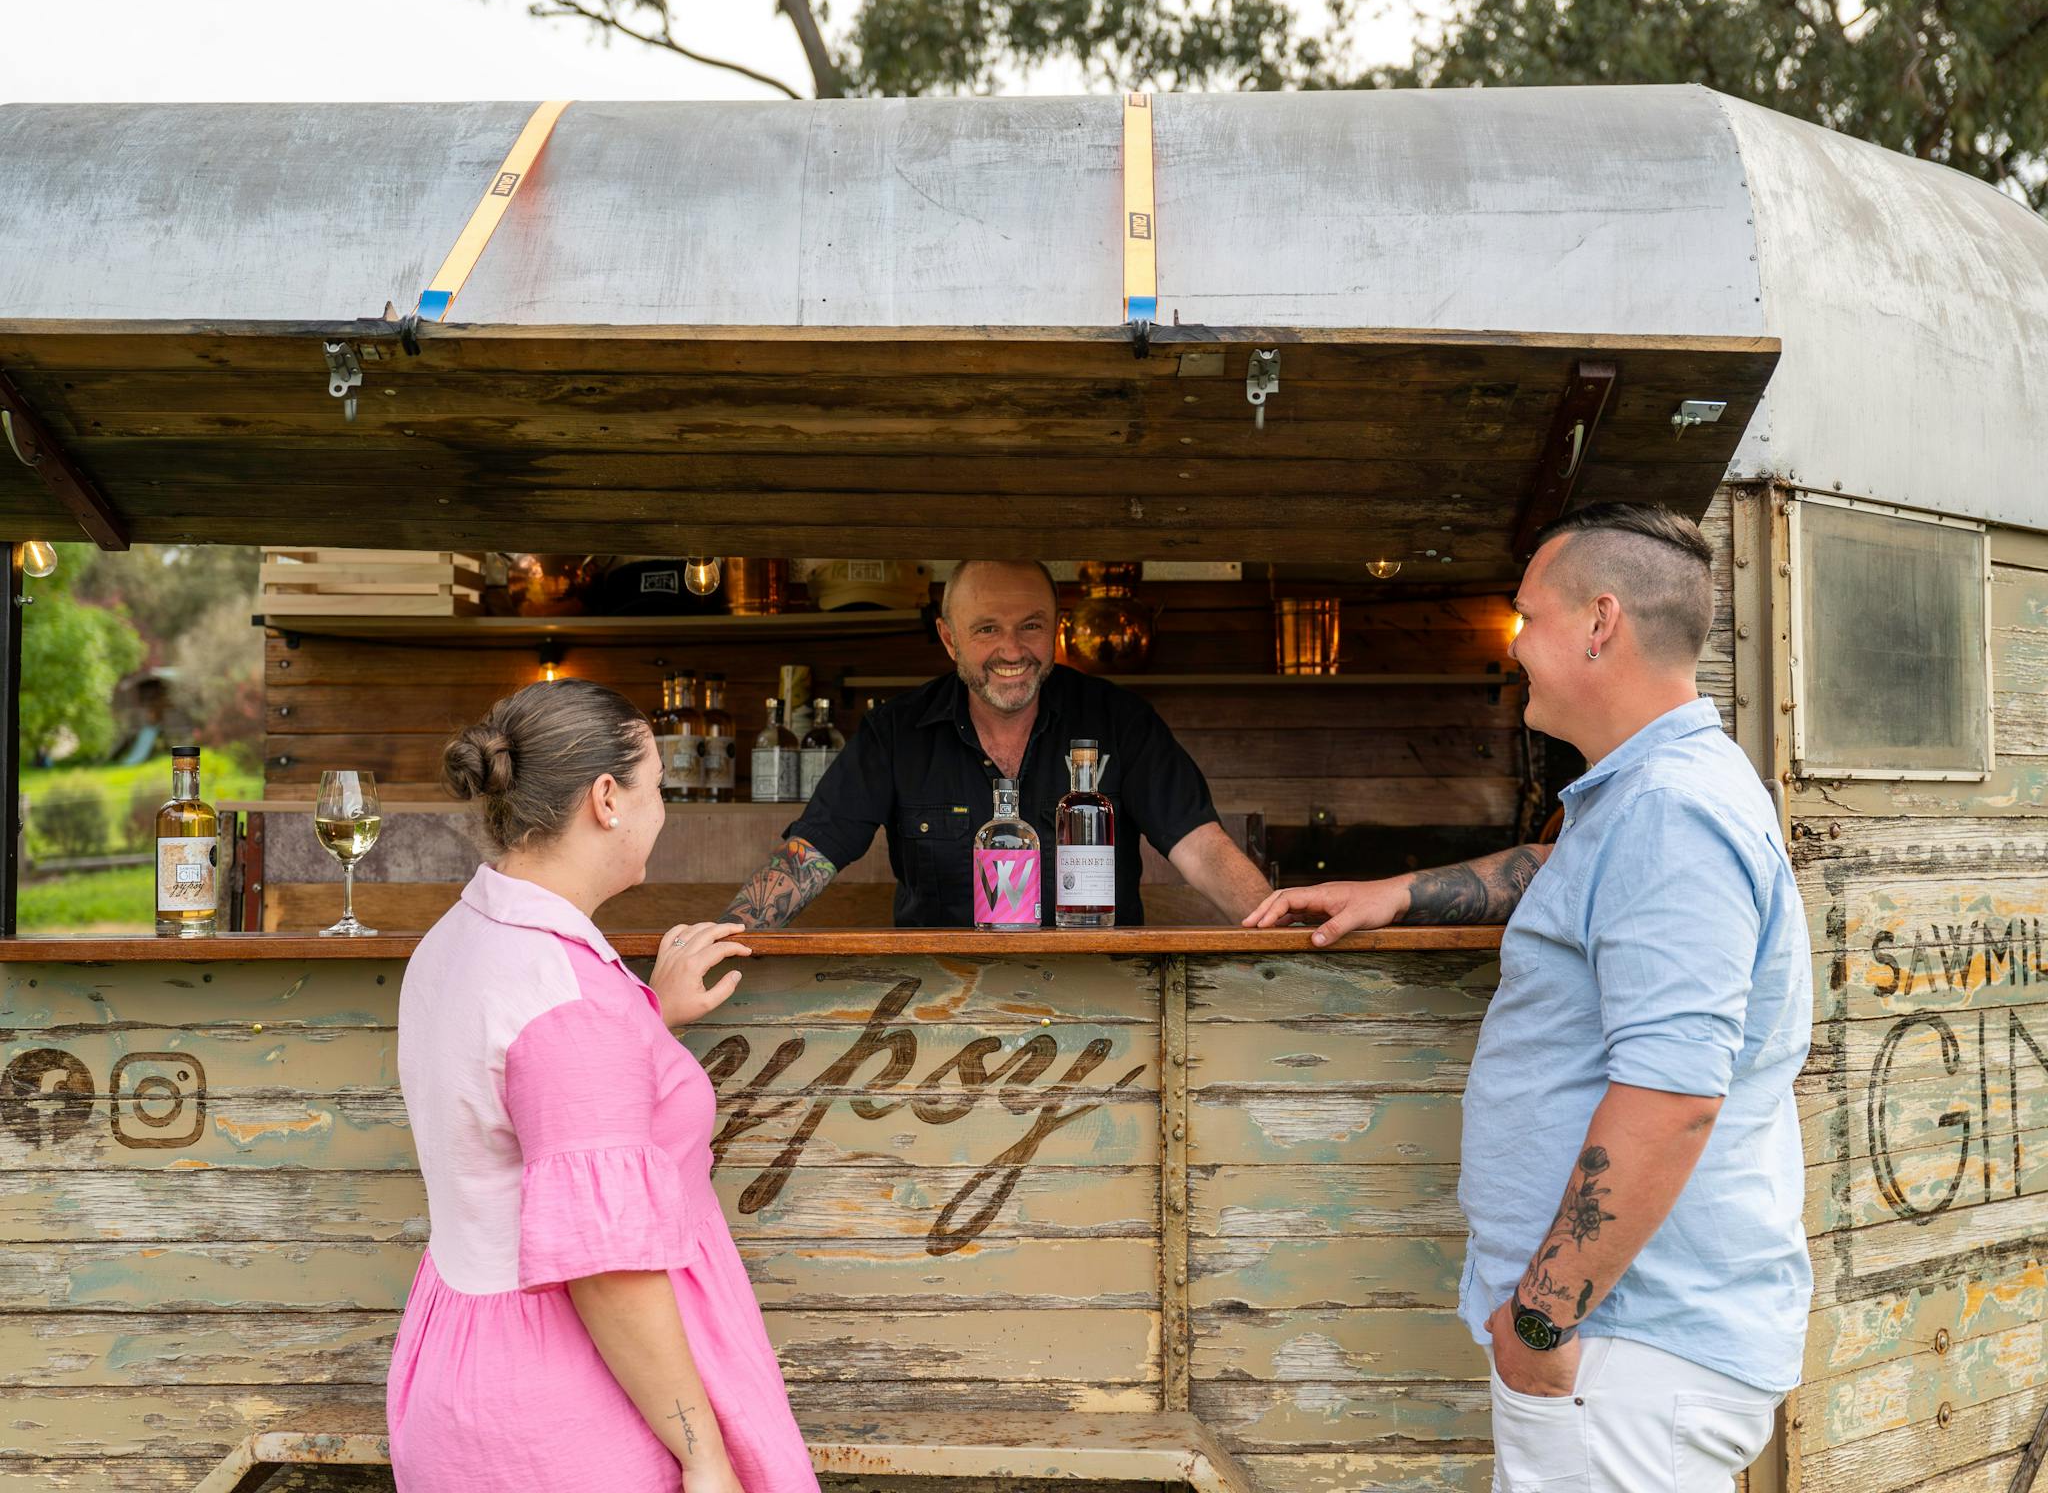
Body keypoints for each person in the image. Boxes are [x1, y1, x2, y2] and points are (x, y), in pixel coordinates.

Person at [1246, 502, 1812, 1493]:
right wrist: (1400, 893)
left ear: (1599, 622)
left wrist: (1544, 1319)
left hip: (1623, 1349)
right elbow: (1565, 874)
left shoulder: (1670, 811)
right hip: (1620, 1342)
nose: (1513, 644)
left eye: (1526, 616)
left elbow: (1672, 1097)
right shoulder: (1645, 797)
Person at [388, 679, 819, 1493]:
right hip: (569, 1408)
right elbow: (609, 1270)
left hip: (462, 1362)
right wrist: (704, 1454)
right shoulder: (569, 1000)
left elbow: (526, 1095)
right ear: (607, 799)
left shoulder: (460, 936)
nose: (663, 810)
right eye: (656, 787)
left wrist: (646, 1019)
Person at [723, 559, 1272, 928]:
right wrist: (723, 938)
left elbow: (1201, 849)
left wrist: (1285, 937)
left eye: (1030, 626)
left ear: (1055, 627)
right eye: (987, 629)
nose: (1012, 651)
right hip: (938, 1007)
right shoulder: (895, 732)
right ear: (949, 638)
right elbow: (811, 855)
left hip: (1105, 996)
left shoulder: (1121, 720)